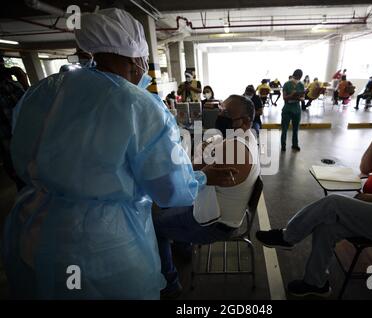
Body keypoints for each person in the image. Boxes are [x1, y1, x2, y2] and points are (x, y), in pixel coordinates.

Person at [2, 8, 236, 300]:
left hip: (31, 229)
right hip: (100, 244)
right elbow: (169, 191)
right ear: (136, 59)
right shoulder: (138, 105)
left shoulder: (43, 90)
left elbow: (23, 149)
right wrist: (201, 177)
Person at [256, 104, 372, 297]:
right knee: (326, 228)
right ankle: (316, 283)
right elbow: (366, 168)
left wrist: (370, 197)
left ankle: (288, 236)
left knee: (334, 203)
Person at [153, 95, 260, 297]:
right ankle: (183, 245)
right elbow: (206, 153)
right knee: (171, 205)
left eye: (227, 113)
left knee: (156, 226)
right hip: (221, 210)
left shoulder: (235, 148)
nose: (220, 114)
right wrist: (206, 149)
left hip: (216, 224)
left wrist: (204, 150)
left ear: (244, 121)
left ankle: (170, 282)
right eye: (220, 109)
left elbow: (190, 172)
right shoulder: (246, 137)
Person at [0, 53, 27, 191]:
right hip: (11, 149)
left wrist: (23, 80)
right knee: (25, 186)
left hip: (26, 145)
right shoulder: (9, 86)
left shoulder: (12, 85)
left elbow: (31, 109)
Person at [281, 69, 304, 152]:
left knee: (295, 128)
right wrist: (292, 95)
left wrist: (299, 98)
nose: (298, 78)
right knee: (285, 128)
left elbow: (302, 97)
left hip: (296, 108)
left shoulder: (301, 84)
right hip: (288, 108)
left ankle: (295, 144)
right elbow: (284, 98)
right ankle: (284, 145)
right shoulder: (287, 84)